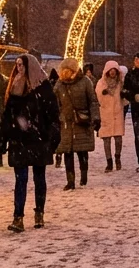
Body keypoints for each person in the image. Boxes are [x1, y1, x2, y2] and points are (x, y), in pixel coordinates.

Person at [0, 54, 60, 233]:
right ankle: (18, 216)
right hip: (19, 139)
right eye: (17, 65)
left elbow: (52, 113)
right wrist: (6, 133)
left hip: (38, 139)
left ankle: (39, 212)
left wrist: (47, 134)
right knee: (21, 180)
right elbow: (8, 113)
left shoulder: (42, 87)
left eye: (22, 65)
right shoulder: (14, 86)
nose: (19, 68)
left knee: (39, 178)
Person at [53, 58, 100, 191]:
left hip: (82, 121)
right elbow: (54, 102)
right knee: (67, 151)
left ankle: (83, 176)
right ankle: (70, 180)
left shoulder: (85, 82)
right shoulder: (60, 84)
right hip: (66, 122)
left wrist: (95, 117)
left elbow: (92, 101)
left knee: (82, 151)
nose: (64, 74)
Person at [96, 60, 127, 172]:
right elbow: (98, 97)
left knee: (118, 138)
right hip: (106, 114)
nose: (112, 73)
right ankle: (109, 162)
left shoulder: (120, 83)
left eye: (114, 71)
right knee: (106, 140)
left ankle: (117, 158)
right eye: (110, 71)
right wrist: (104, 94)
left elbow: (125, 98)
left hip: (117, 113)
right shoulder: (101, 83)